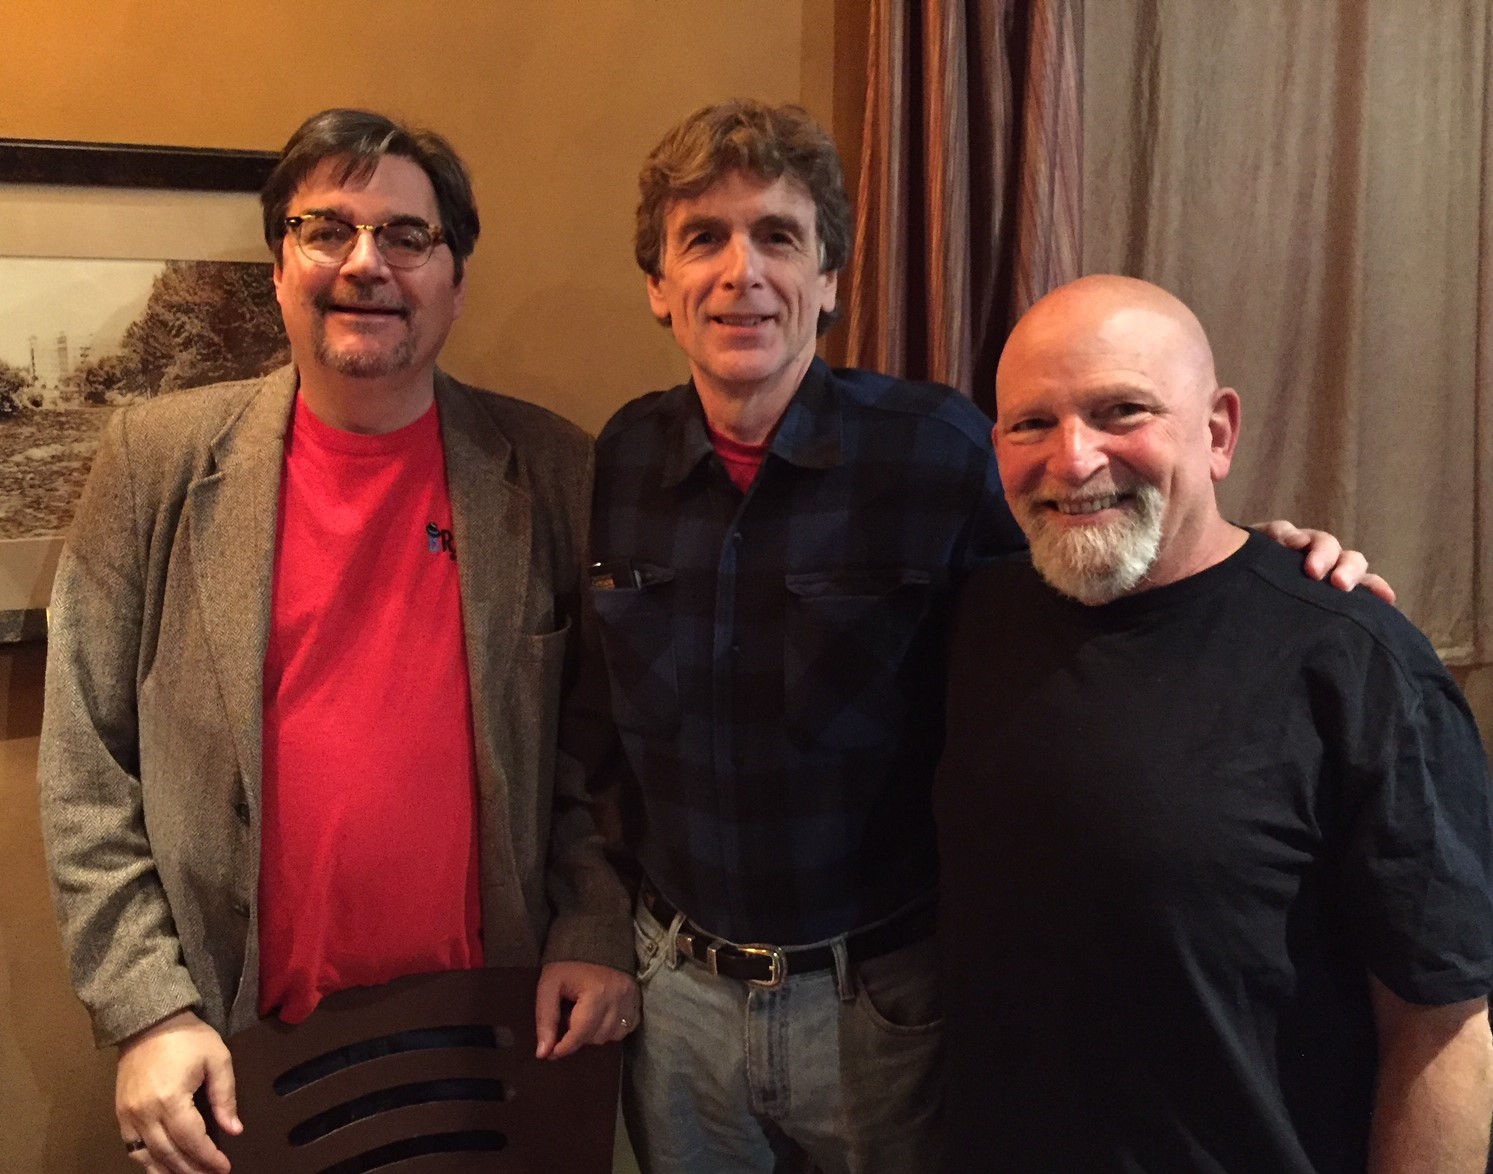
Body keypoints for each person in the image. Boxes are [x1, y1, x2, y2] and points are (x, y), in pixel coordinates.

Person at [586, 100, 1387, 1174]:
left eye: (779, 236)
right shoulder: (620, 457)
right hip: (673, 995)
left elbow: (1104, 566)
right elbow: (585, 723)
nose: (742, 272)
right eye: (704, 240)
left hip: (879, 1003)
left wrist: (1278, 562)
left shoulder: (936, 449)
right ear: (657, 286)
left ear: (829, 282)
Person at [38, 108, 638, 1174]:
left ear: (453, 277)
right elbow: (87, 762)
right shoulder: (155, 463)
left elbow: (594, 754)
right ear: (280, 266)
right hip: (235, 1050)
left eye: (406, 236)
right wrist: (146, 1008)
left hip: (492, 1039)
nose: (366, 263)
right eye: (328, 229)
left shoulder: (550, 472)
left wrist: (592, 926)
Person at [936, 274, 1493, 1172]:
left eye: (1121, 411)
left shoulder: (1354, 662)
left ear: (1218, 431)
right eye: (1030, 423)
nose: (1073, 460)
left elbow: (1443, 1020)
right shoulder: (971, 618)